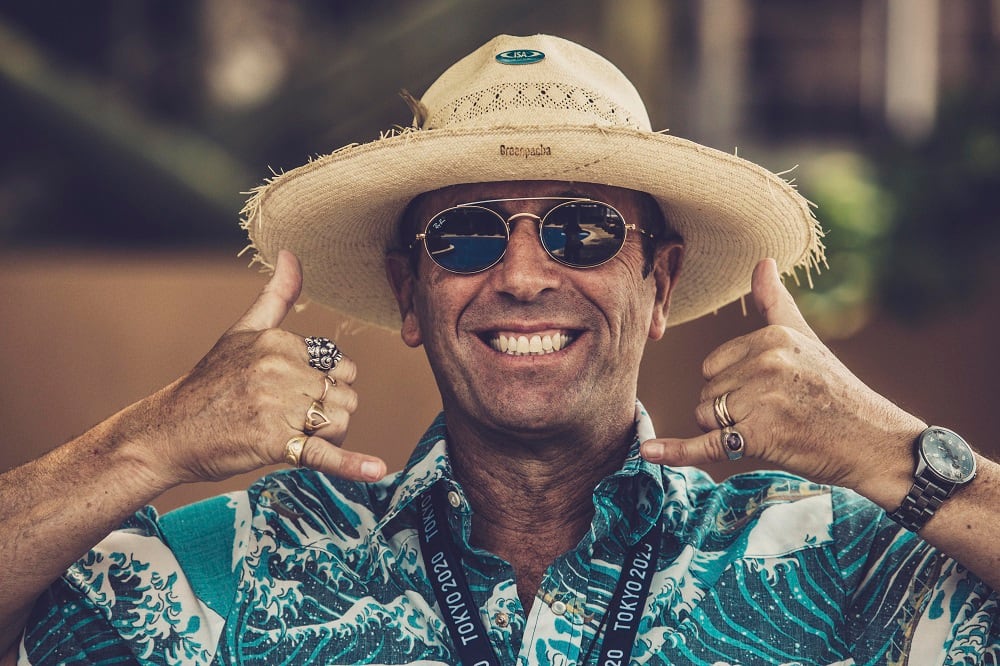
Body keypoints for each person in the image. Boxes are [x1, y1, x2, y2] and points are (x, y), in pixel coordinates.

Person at [1, 33, 997, 665]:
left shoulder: (827, 559)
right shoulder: (244, 563)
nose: (522, 275)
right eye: (468, 235)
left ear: (659, 283)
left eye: (582, 230)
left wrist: (893, 451)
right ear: (410, 292)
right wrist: (149, 441)